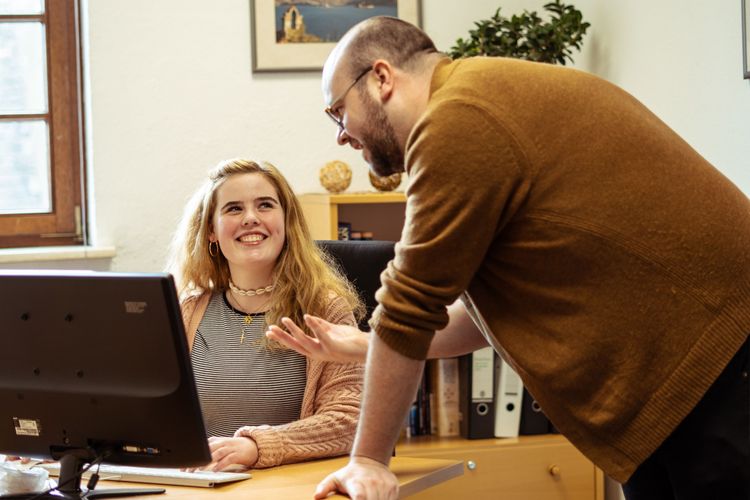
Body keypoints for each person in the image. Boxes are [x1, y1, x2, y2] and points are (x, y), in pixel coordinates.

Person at [267, 16, 750, 500]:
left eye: (337, 111)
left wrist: (368, 460)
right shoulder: (482, 99)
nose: (341, 137)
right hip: (691, 382)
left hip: (720, 366)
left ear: (381, 77)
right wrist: (366, 345)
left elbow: (410, 305)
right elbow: (481, 319)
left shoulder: (458, 121)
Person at [166, 158, 365, 472]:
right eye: (233, 208)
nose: (250, 219)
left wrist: (256, 447)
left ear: (287, 222)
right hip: (199, 487)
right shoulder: (184, 309)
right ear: (211, 231)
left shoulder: (324, 308)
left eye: (265, 205)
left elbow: (350, 420)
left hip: (289, 486)